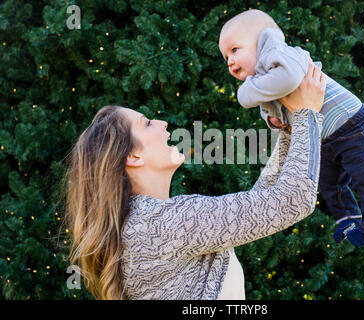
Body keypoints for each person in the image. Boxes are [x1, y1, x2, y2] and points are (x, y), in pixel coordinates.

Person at [63, 62, 325, 300]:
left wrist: (290, 131)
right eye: (146, 124)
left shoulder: (148, 224)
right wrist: (307, 113)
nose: (162, 123)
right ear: (133, 156)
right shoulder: (162, 224)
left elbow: (263, 205)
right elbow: (293, 201)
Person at [218, 9, 364, 247]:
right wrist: (275, 121)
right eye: (225, 56)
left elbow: (288, 80)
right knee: (330, 184)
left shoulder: (280, 55)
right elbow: (276, 108)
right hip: (327, 137)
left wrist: (244, 93)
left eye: (235, 50)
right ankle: (348, 219)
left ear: (262, 40)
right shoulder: (264, 79)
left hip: (354, 126)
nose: (230, 61)